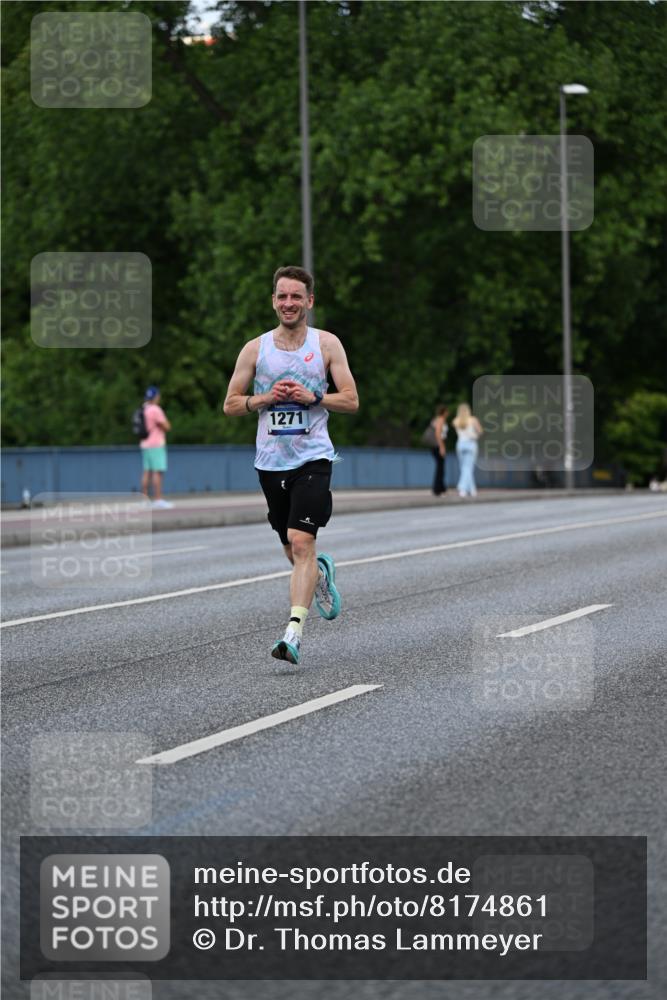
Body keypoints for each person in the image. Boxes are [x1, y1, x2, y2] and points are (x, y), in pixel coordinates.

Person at [223, 266, 359, 665]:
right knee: (291, 547)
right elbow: (230, 404)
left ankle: (293, 633)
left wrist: (313, 397)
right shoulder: (255, 349)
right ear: (273, 301)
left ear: (309, 301)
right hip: (270, 463)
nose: (288, 303)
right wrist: (264, 399)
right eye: (282, 296)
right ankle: (318, 573)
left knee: (301, 541)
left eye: (296, 296)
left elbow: (351, 400)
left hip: (313, 458)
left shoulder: (327, 344)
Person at [140, 386, 174, 509]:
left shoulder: (143, 408)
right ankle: (158, 499)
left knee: (146, 472)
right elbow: (166, 426)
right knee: (157, 472)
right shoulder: (155, 409)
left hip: (144, 444)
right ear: (156, 397)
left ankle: (144, 500)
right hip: (156, 444)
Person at [453, 403, 483, 498]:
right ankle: (462, 488)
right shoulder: (473, 420)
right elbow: (480, 431)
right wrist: (476, 435)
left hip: (460, 444)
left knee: (464, 468)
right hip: (471, 444)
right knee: (468, 468)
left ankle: (472, 490)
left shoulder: (456, 421)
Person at [428, 405, 449, 496]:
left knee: (440, 467)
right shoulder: (440, 420)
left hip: (435, 445)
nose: (448, 413)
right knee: (440, 468)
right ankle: (437, 489)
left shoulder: (435, 419)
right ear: (444, 412)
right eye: (447, 411)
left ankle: (441, 488)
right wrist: (442, 447)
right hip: (438, 445)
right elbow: (438, 433)